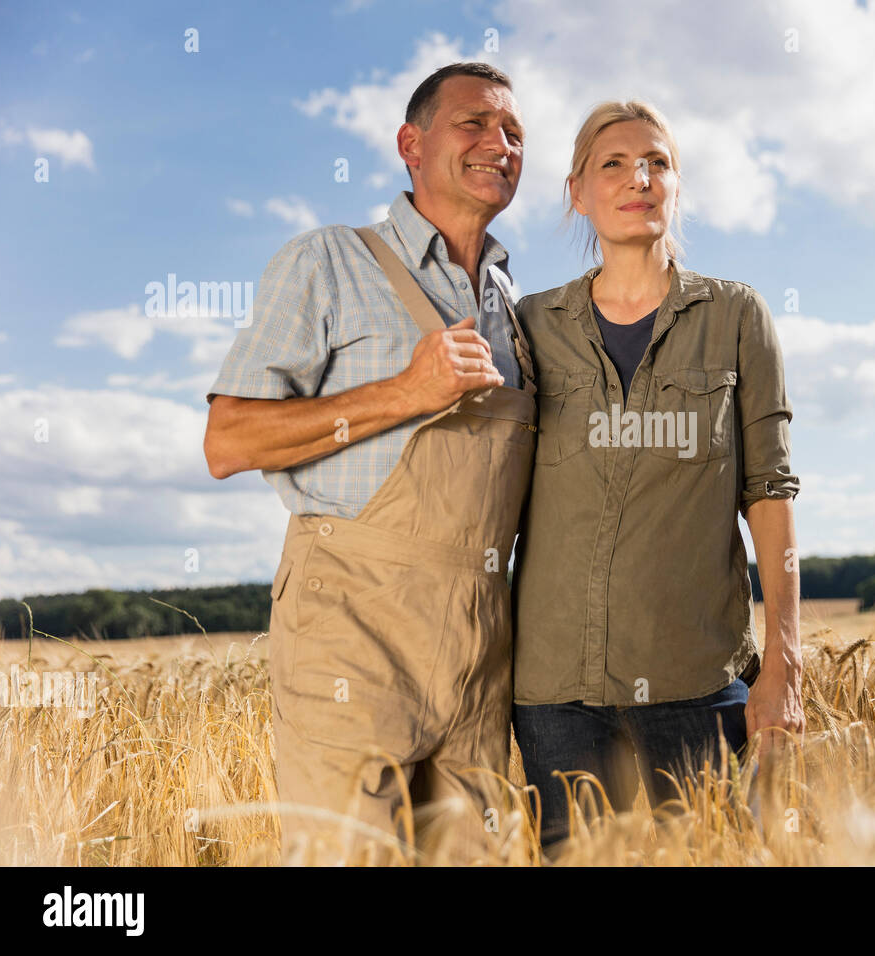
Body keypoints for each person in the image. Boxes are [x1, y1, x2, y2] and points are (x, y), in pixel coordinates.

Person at [203, 62, 533, 863]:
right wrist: (405, 391)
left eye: (515, 133)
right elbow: (229, 441)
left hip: (479, 644)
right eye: (475, 124)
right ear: (410, 145)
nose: (500, 144)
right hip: (352, 629)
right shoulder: (329, 262)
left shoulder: (515, 309)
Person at [511, 100, 804, 849]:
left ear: (676, 186)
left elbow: (768, 492)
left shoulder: (737, 316)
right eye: (613, 163)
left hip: (695, 681)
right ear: (576, 192)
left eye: (658, 162)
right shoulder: (532, 324)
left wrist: (783, 665)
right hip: (554, 689)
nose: (638, 177)